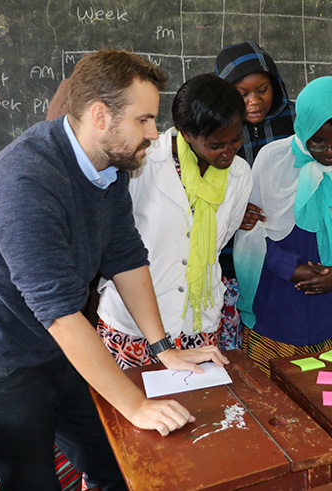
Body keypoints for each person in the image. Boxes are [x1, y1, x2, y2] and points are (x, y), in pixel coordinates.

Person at [0, 50, 228, 490]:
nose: (154, 132)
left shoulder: (110, 165)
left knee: (122, 462)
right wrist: (135, 404)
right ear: (100, 116)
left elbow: (126, 255)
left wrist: (161, 346)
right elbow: (61, 315)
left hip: (54, 341)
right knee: (33, 481)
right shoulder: (25, 185)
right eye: (143, 120)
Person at [214, 41, 332, 350]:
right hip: (275, 310)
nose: (329, 151)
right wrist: (291, 268)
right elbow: (254, 231)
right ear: (302, 128)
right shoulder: (273, 160)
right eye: (317, 142)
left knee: (328, 391)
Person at [96, 74, 251, 368]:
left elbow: (221, 240)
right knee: (134, 408)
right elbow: (114, 239)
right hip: (134, 325)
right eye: (216, 144)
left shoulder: (241, 174)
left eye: (236, 140)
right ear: (186, 133)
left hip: (199, 324)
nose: (228, 153)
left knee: (198, 408)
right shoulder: (141, 162)